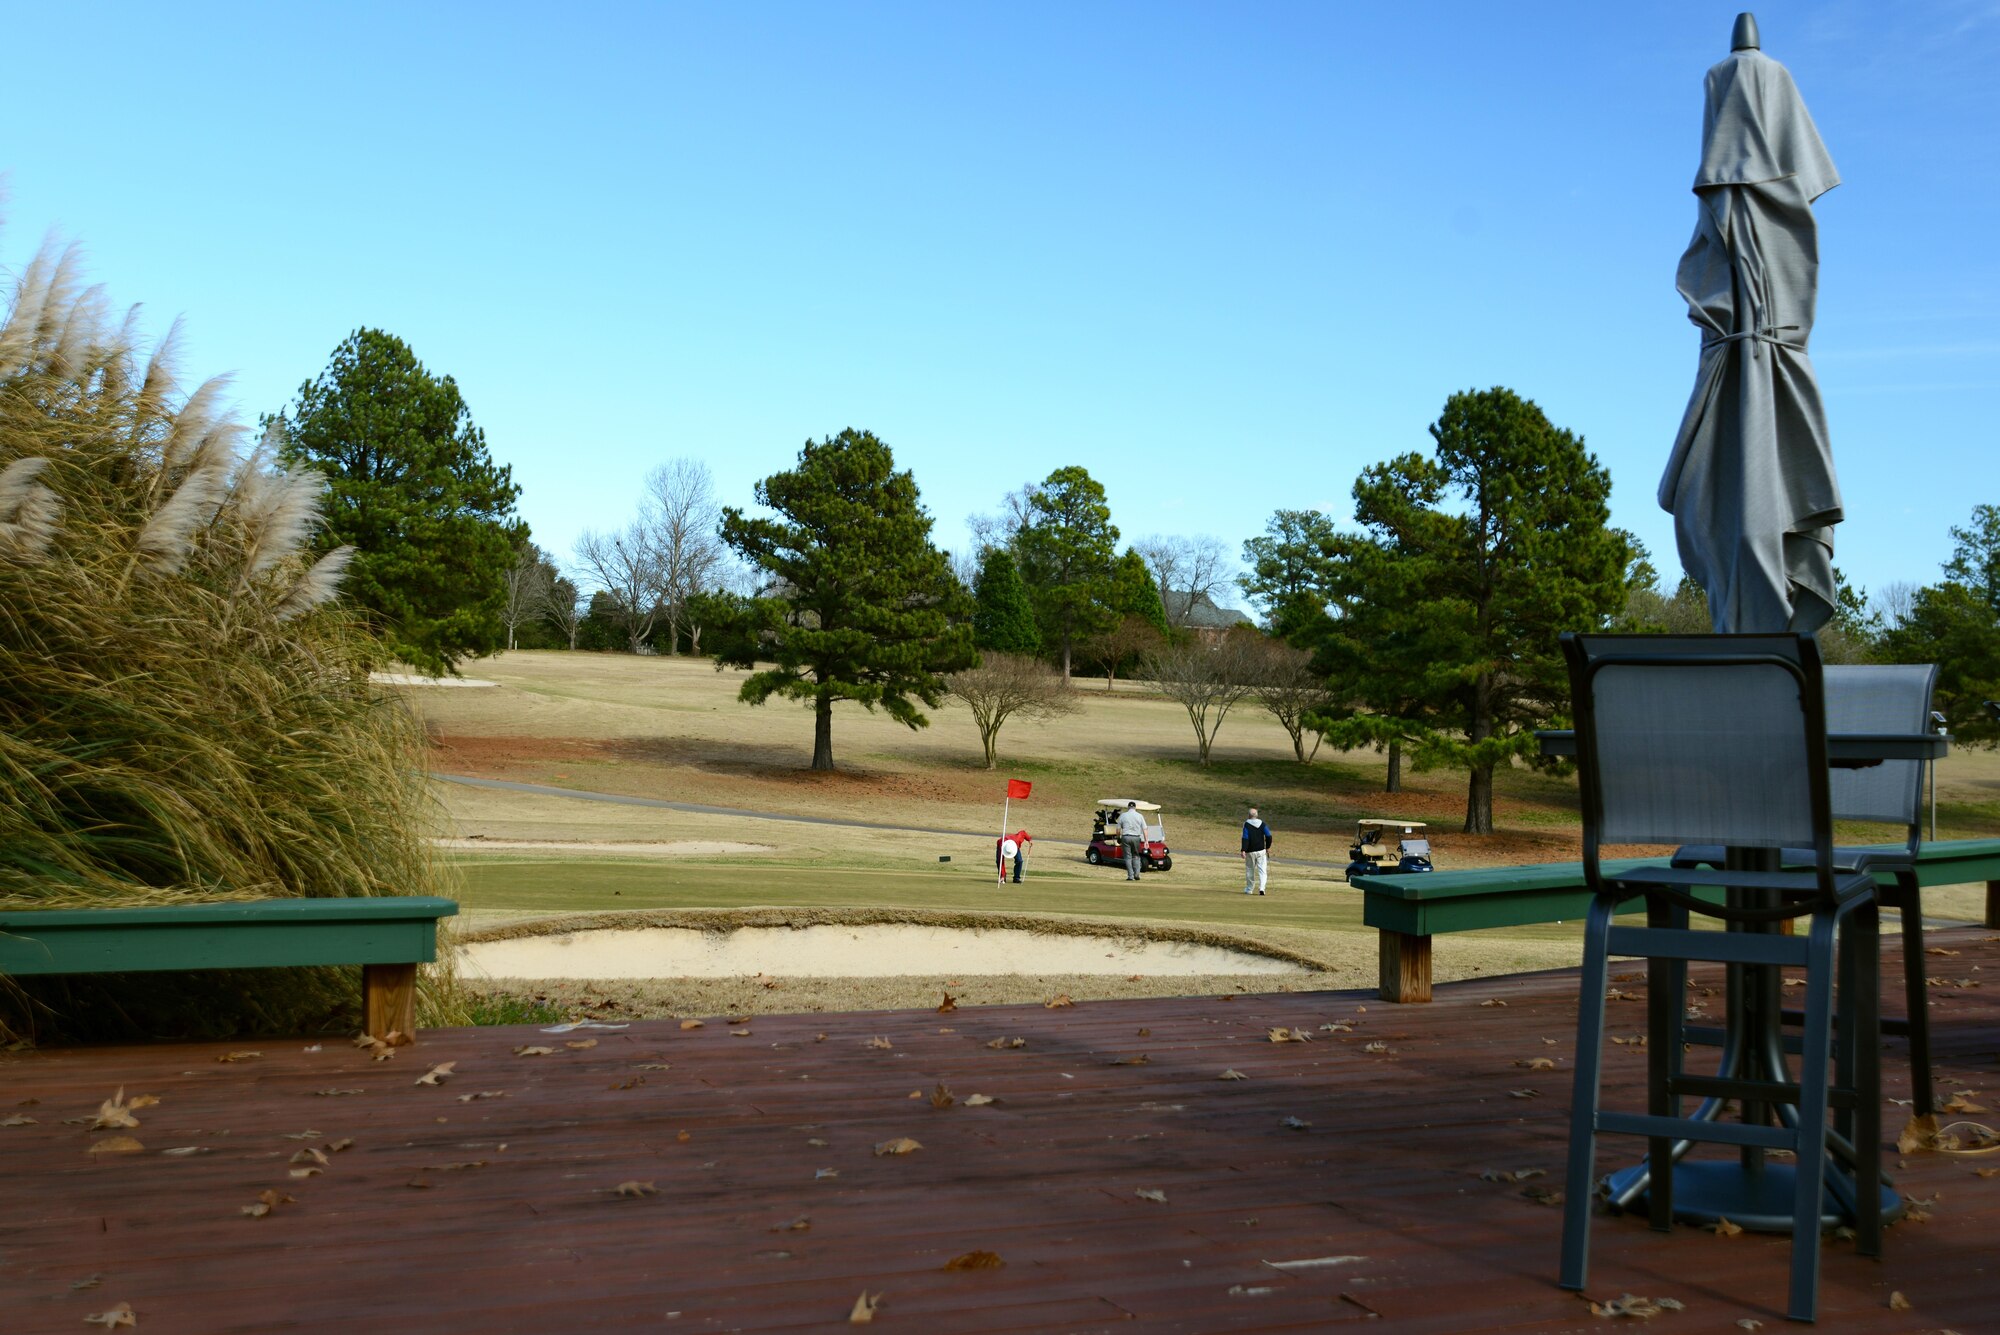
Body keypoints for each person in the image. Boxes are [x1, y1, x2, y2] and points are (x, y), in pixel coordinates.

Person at [1241, 806, 1273, 895]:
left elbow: (1245, 838)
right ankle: (1262, 888)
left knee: (1250, 870)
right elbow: (1269, 836)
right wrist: (1268, 847)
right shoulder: (1262, 824)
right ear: (1257, 815)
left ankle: (1249, 889)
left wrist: (1243, 850)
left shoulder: (1246, 824)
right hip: (1261, 851)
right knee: (1262, 870)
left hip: (1250, 851)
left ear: (1248, 815)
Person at [1116, 801, 1148, 881]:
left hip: (1126, 837)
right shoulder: (1140, 816)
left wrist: (1118, 837)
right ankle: (1137, 874)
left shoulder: (1123, 815)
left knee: (1128, 857)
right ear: (1135, 807)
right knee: (1136, 856)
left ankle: (1131, 876)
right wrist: (1146, 841)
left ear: (1128, 807)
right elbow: (1145, 829)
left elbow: (1118, 829)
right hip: (1136, 837)